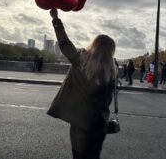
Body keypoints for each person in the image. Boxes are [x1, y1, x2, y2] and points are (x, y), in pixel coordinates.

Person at [47, 9, 117, 159]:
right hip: (100, 124)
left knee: (78, 156)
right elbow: (108, 100)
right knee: (94, 155)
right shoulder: (111, 72)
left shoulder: (80, 60)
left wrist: (56, 19)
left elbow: (64, 43)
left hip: (80, 123)